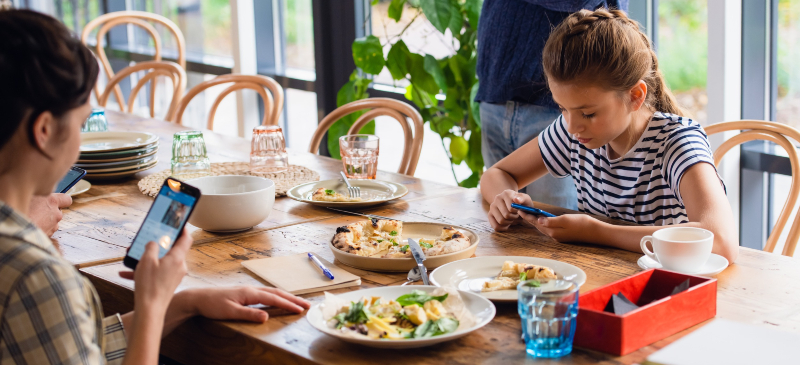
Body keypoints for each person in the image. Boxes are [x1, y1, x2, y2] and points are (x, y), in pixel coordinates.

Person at [0, 9, 310, 365]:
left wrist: (183, 304)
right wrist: (151, 301)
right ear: (44, 131)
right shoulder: (37, 277)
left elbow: (62, 349)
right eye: (81, 122)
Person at [479, 9, 738, 263]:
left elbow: (721, 242)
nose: (571, 126)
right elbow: (497, 174)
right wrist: (507, 198)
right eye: (562, 108)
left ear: (635, 96)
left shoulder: (676, 143)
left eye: (588, 113)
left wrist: (597, 231)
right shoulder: (574, 133)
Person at [476, 0, 628, 210]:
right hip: (496, 89)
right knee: (510, 224)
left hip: (555, 105)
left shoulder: (571, 127)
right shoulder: (567, 129)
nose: (574, 127)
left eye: (588, 113)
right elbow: (495, 178)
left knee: (554, 231)